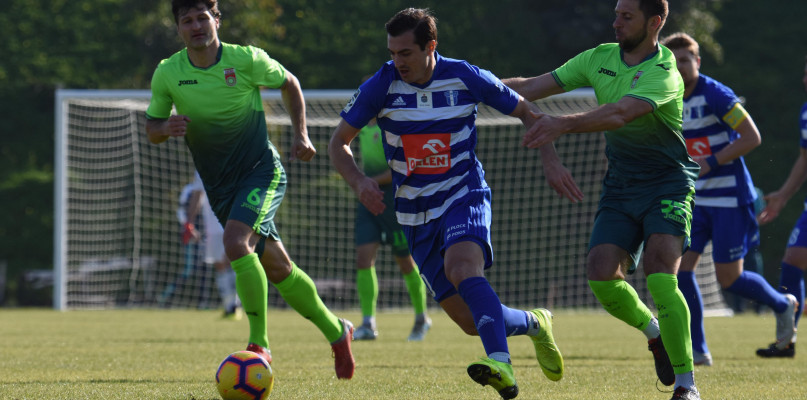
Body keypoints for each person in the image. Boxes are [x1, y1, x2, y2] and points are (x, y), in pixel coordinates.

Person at [329, 8, 564, 399]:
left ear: (431, 47)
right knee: (470, 321)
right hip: (413, 213)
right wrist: (358, 181)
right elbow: (339, 142)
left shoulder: (465, 75)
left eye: (406, 53)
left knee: (462, 268)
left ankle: (501, 363)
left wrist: (551, 161)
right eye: (392, 53)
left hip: (463, 194)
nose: (397, 61)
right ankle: (535, 323)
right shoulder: (381, 85)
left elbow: (526, 110)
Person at [144, 0, 355, 379]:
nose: (196, 26)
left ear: (217, 20)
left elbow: (290, 83)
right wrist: (166, 128)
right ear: (178, 28)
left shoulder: (246, 59)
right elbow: (152, 129)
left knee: (235, 242)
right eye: (187, 20)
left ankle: (259, 343)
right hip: (219, 187)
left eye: (202, 18)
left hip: (261, 171)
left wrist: (301, 135)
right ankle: (337, 331)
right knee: (278, 267)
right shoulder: (168, 72)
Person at [502, 1, 701, 399]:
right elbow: (530, 86)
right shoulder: (599, 58)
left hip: (667, 185)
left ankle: (686, 386)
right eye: (616, 14)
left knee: (661, 273)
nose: (616, 23)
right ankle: (655, 333)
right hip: (621, 186)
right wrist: (467, 83)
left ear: (655, 22)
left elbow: (620, 114)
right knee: (600, 273)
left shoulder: (665, 71)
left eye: (627, 17)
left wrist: (560, 125)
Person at [661, 32, 797, 367]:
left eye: (685, 60)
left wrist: (711, 161)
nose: (680, 66)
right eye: (673, 61)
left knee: (729, 279)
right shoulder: (666, 95)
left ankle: (782, 304)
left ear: (697, 61)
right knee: (680, 271)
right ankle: (698, 349)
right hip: (694, 201)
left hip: (730, 200)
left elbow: (752, 137)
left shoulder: (716, 95)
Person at [351, 113, 432, 342]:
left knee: (406, 262)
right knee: (363, 259)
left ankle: (421, 318)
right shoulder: (361, 127)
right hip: (368, 199)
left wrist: (368, 181)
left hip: (394, 200)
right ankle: (368, 323)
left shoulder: (393, 127)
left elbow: (401, 168)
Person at [754, 57, 807, 358]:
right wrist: (784, 195)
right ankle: (787, 342)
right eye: (805, 73)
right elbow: (805, 158)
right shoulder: (805, 112)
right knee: (792, 261)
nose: (805, 80)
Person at [183, 172, 242, 319]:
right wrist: (189, 223)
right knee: (220, 264)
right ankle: (230, 306)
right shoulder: (201, 168)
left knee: (233, 262)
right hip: (213, 226)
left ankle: (237, 304)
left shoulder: (236, 160)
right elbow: (197, 195)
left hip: (235, 220)